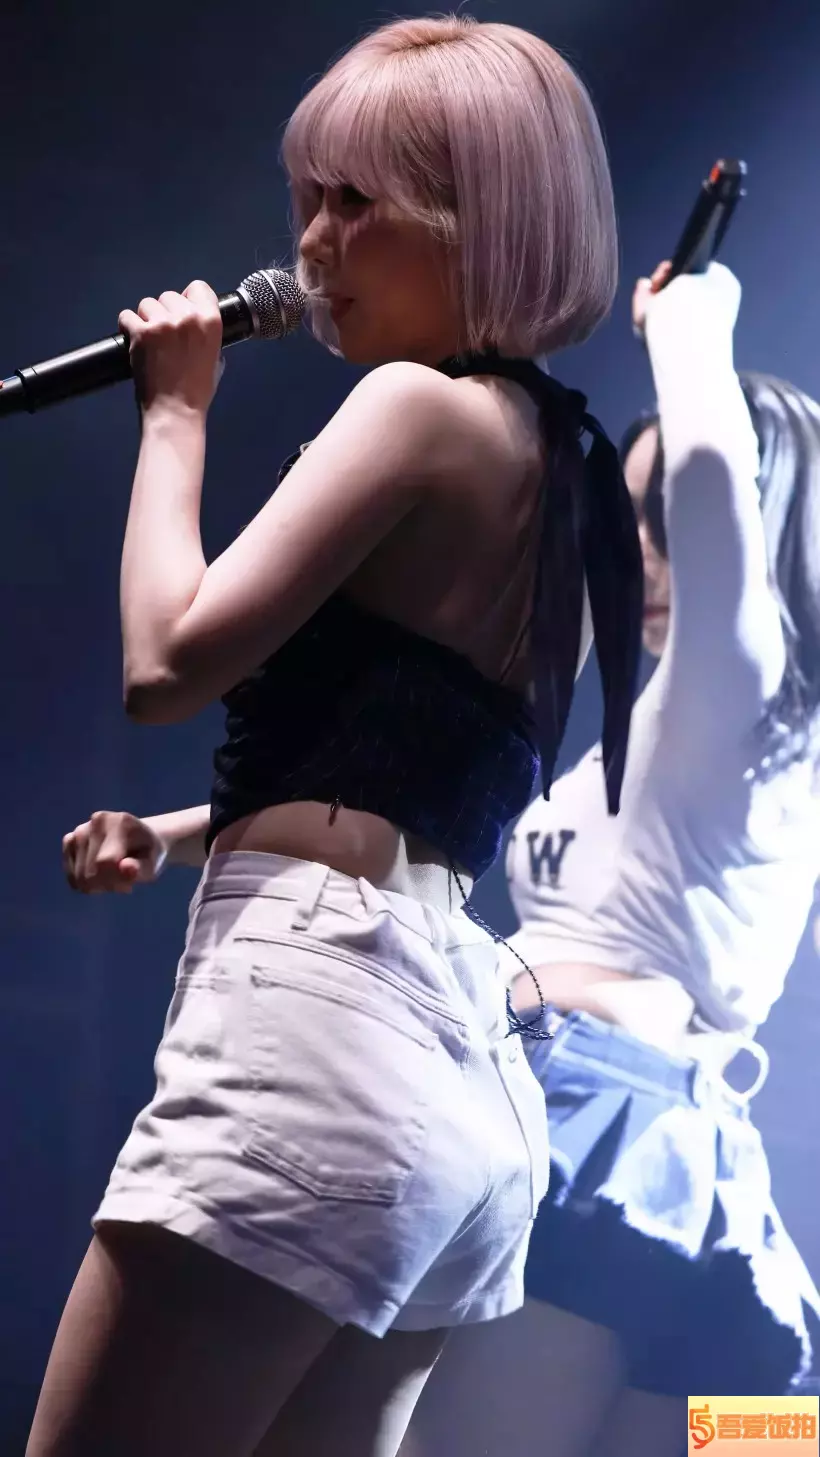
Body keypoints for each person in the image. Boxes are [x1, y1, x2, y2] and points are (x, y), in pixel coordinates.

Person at [27, 15, 643, 1457]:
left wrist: (174, 415)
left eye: (357, 201)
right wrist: (176, 831)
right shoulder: (571, 472)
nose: (311, 242)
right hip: (459, 1083)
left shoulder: (414, 411)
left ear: (486, 219)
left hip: (320, 1034)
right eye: (308, 196)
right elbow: (420, 771)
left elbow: (164, 662)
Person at [403, 260, 820, 1457]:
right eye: (619, 520)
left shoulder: (733, 691)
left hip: (602, 1142)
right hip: (660, 1170)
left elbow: (714, 496)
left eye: (656, 519)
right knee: (753, 1430)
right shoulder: (689, 731)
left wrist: (688, 328)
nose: (629, 550)